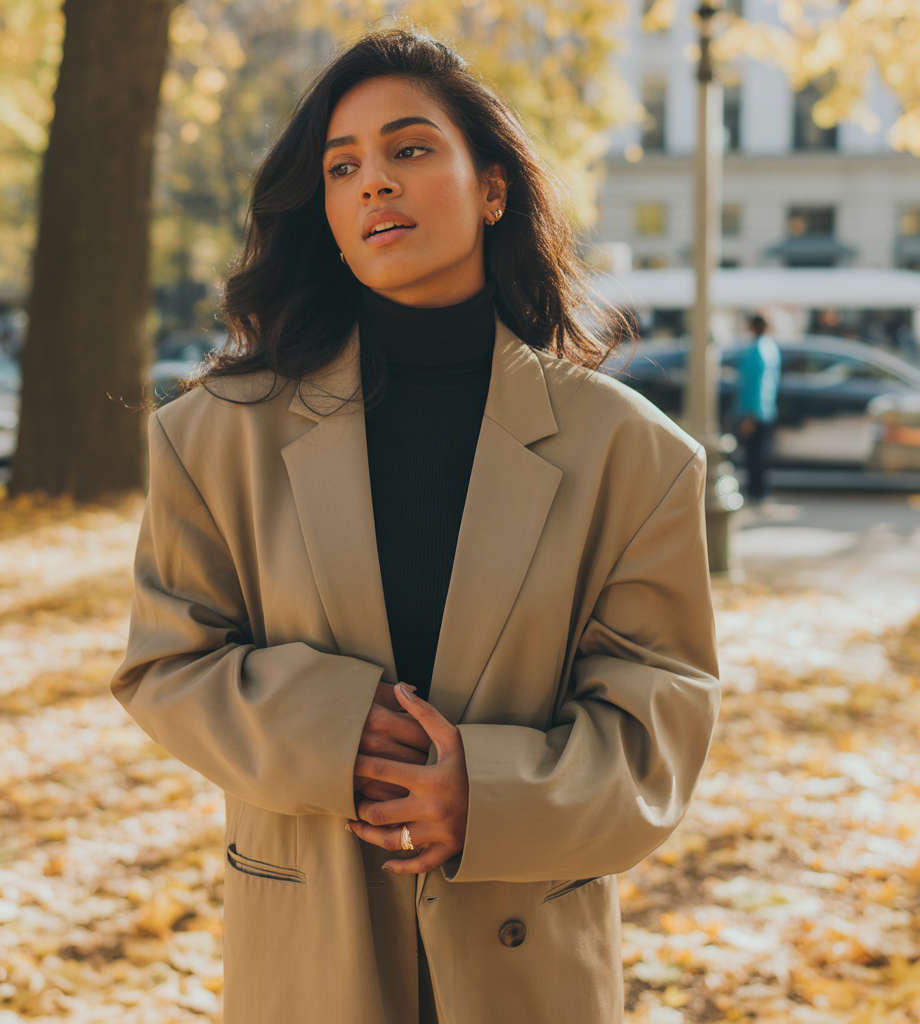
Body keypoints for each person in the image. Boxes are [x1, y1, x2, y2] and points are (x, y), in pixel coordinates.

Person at [112, 28, 720, 1024]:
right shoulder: (213, 436)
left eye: (408, 149)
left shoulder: (635, 455)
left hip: (530, 965)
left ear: (491, 190)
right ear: (327, 216)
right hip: (310, 955)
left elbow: (661, 719)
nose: (372, 184)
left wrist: (489, 792)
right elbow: (166, 664)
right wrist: (334, 730)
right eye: (342, 167)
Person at [734, 314, 781, 503]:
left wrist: (750, 415)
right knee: (762, 455)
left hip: (754, 410)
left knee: (754, 456)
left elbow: (753, 384)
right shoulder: (771, 348)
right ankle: (760, 493)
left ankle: (756, 493)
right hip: (767, 408)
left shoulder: (755, 350)